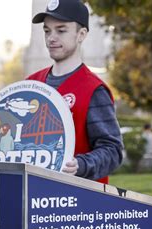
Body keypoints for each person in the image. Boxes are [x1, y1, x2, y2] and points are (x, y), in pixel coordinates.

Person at [27, 0, 123, 183]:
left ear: (81, 34)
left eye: (61, 30)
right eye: (47, 31)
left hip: (77, 205)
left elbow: (113, 151)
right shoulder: (30, 84)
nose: (51, 38)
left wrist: (80, 165)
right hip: (34, 199)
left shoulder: (93, 89)